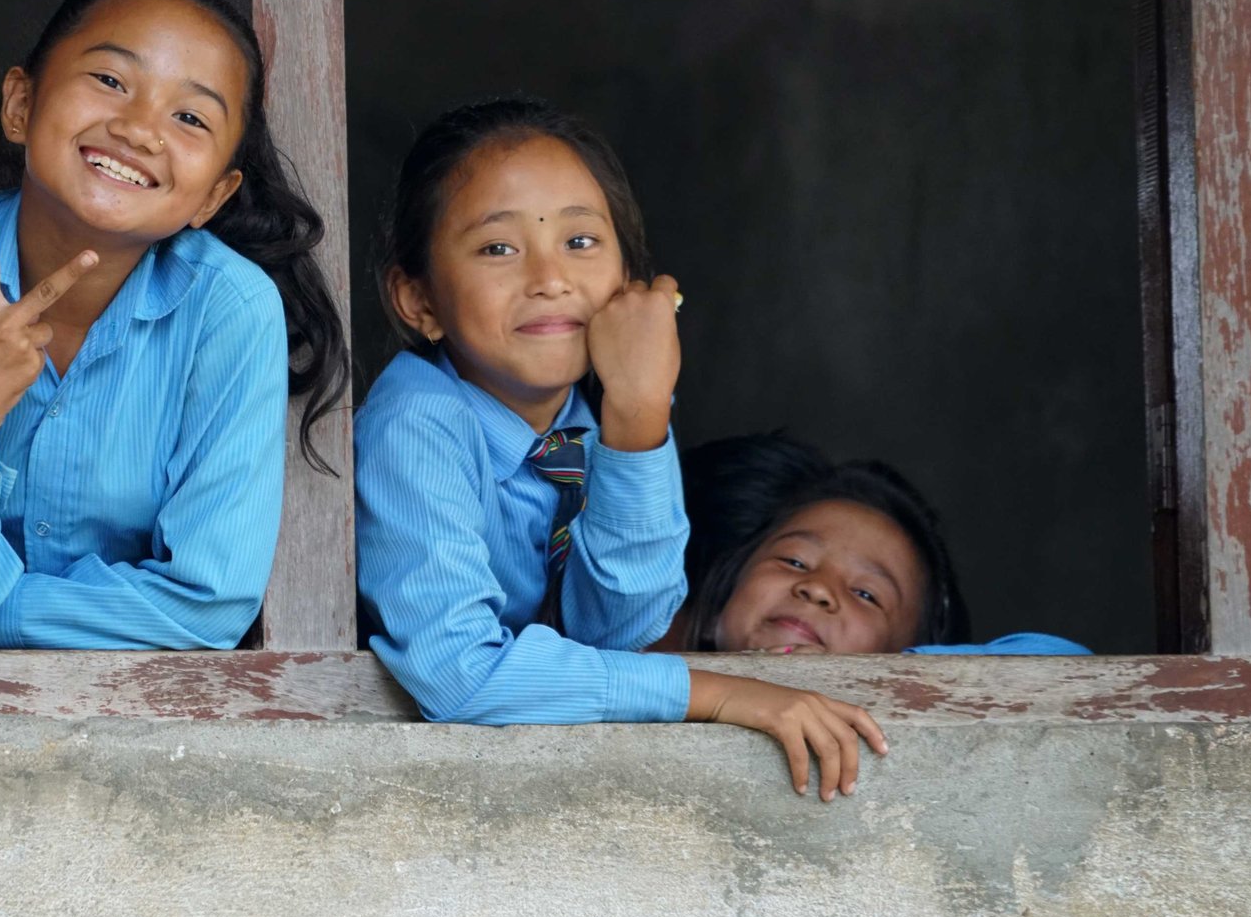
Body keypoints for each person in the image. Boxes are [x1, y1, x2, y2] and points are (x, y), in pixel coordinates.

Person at [357, 97, 886, 801]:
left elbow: (619, 630)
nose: (550, 278)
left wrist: (636, 415)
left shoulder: (587, 424)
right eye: (497, 248)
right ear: (416, 299)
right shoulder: (416, 423)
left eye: (580, 243)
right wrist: (721, 693)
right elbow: (463, 677)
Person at [0, 0, 346, 650]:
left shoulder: (231, 311)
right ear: (21, 103)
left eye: (190, 117)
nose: (139, 129)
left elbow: (206, 605)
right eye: (109, 80)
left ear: (212, 197)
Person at [661, 433, 1089, 656]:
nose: (818, 589)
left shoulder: (906, 677)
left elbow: (1067, 662)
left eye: (866, 594)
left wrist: (883, 678)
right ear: (718, 601)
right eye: (793, 560)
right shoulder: (658, 689)